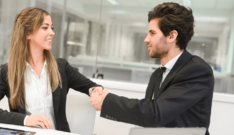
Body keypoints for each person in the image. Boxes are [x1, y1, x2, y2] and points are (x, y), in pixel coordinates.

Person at [90, 2, 214, 135]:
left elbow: (155, 114)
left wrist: (107, 100)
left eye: (152, 33)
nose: (146, 39)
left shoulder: (197, 70)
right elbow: (149, 119)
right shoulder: (158, 74)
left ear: (172, 36)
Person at [0, 7, 103, 132]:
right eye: (45, 27)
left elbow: (90, 86)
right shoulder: (8, 72)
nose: (52, 32)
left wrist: (95, 91)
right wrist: (26, 120)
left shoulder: (61, 67)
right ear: (28, 33)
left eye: (51, 28)